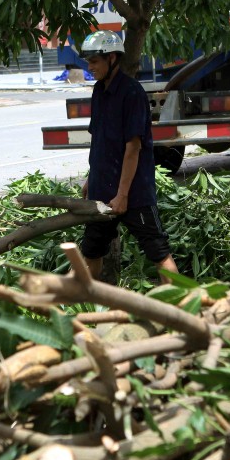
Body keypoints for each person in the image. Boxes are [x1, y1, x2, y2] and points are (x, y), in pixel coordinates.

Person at [79, 30, 178, 284]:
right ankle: (91, 309)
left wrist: (122, 195)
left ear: (112, 58)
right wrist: (92, 178)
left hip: (134, 195)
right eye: (88, 62)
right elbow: (100, 141)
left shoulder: (132, 93)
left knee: (159, 252)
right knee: (91, 252)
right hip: (102, 192)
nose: (90, 67)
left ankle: (184, 312)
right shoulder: (99, 92)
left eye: (94, 61)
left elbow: (132, 148)